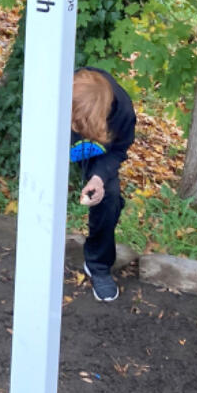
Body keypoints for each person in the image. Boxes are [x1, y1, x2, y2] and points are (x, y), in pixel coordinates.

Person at [70, 67, 136, 303]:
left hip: (99, 151)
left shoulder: (123, 112)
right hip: (54, 144)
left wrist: (97, 179)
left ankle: (97, 265)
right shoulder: (59, 94)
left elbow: (118, 150)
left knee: (108, 198)